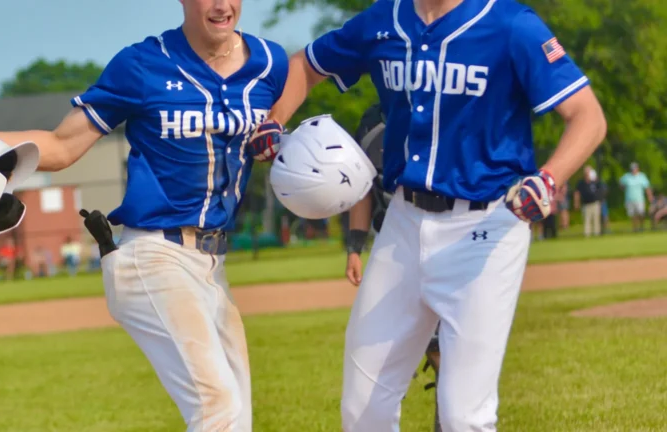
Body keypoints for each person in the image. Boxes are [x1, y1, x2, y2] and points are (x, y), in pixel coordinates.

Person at [0, 1, 287, 430]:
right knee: (218, 407)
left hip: (213, 263)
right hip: (154, 257)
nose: (221, 4)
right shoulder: (143, 64)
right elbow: (62, 145)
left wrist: (281, 137)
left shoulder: (268, 63)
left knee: (237, 413)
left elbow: (294, 94)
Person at [257, 0, 607, 430]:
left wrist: (549, 178)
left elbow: (588, 117)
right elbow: (307, 64)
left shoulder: (510, 24)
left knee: (464, 415)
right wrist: (275, 119)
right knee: (363, 405)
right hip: (403, 221)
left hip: (484, 226)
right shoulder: (384, 19)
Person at [345, 103, 443, 432]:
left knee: (443, 349)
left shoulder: (441, 102)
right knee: (378, 355)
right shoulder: (371, 122)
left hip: (444, 237)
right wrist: (355, 247)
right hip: (393, 246)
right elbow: (361, 189)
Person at [619, 162, 653, 232]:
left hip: (639, 199)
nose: (633, 170)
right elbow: (621, 184)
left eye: (634, 168)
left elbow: (647, 187)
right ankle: (635, 228)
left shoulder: (642, 176)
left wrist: (650, 196)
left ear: (638, 169)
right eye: (632, 169)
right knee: (632, 215)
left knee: (641, 213)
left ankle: (642, 226)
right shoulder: (626, 176)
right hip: (629, 199)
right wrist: (622, 187)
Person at [574, 165, 602, 237]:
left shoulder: (595, 181)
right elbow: (577, 193)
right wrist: (576, 203)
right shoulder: (581, 183)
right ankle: (587, 234)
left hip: (595, 203)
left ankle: (597, 233)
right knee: (587, 220)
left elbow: (601, 190)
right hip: (586, 204)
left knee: (596, 219)